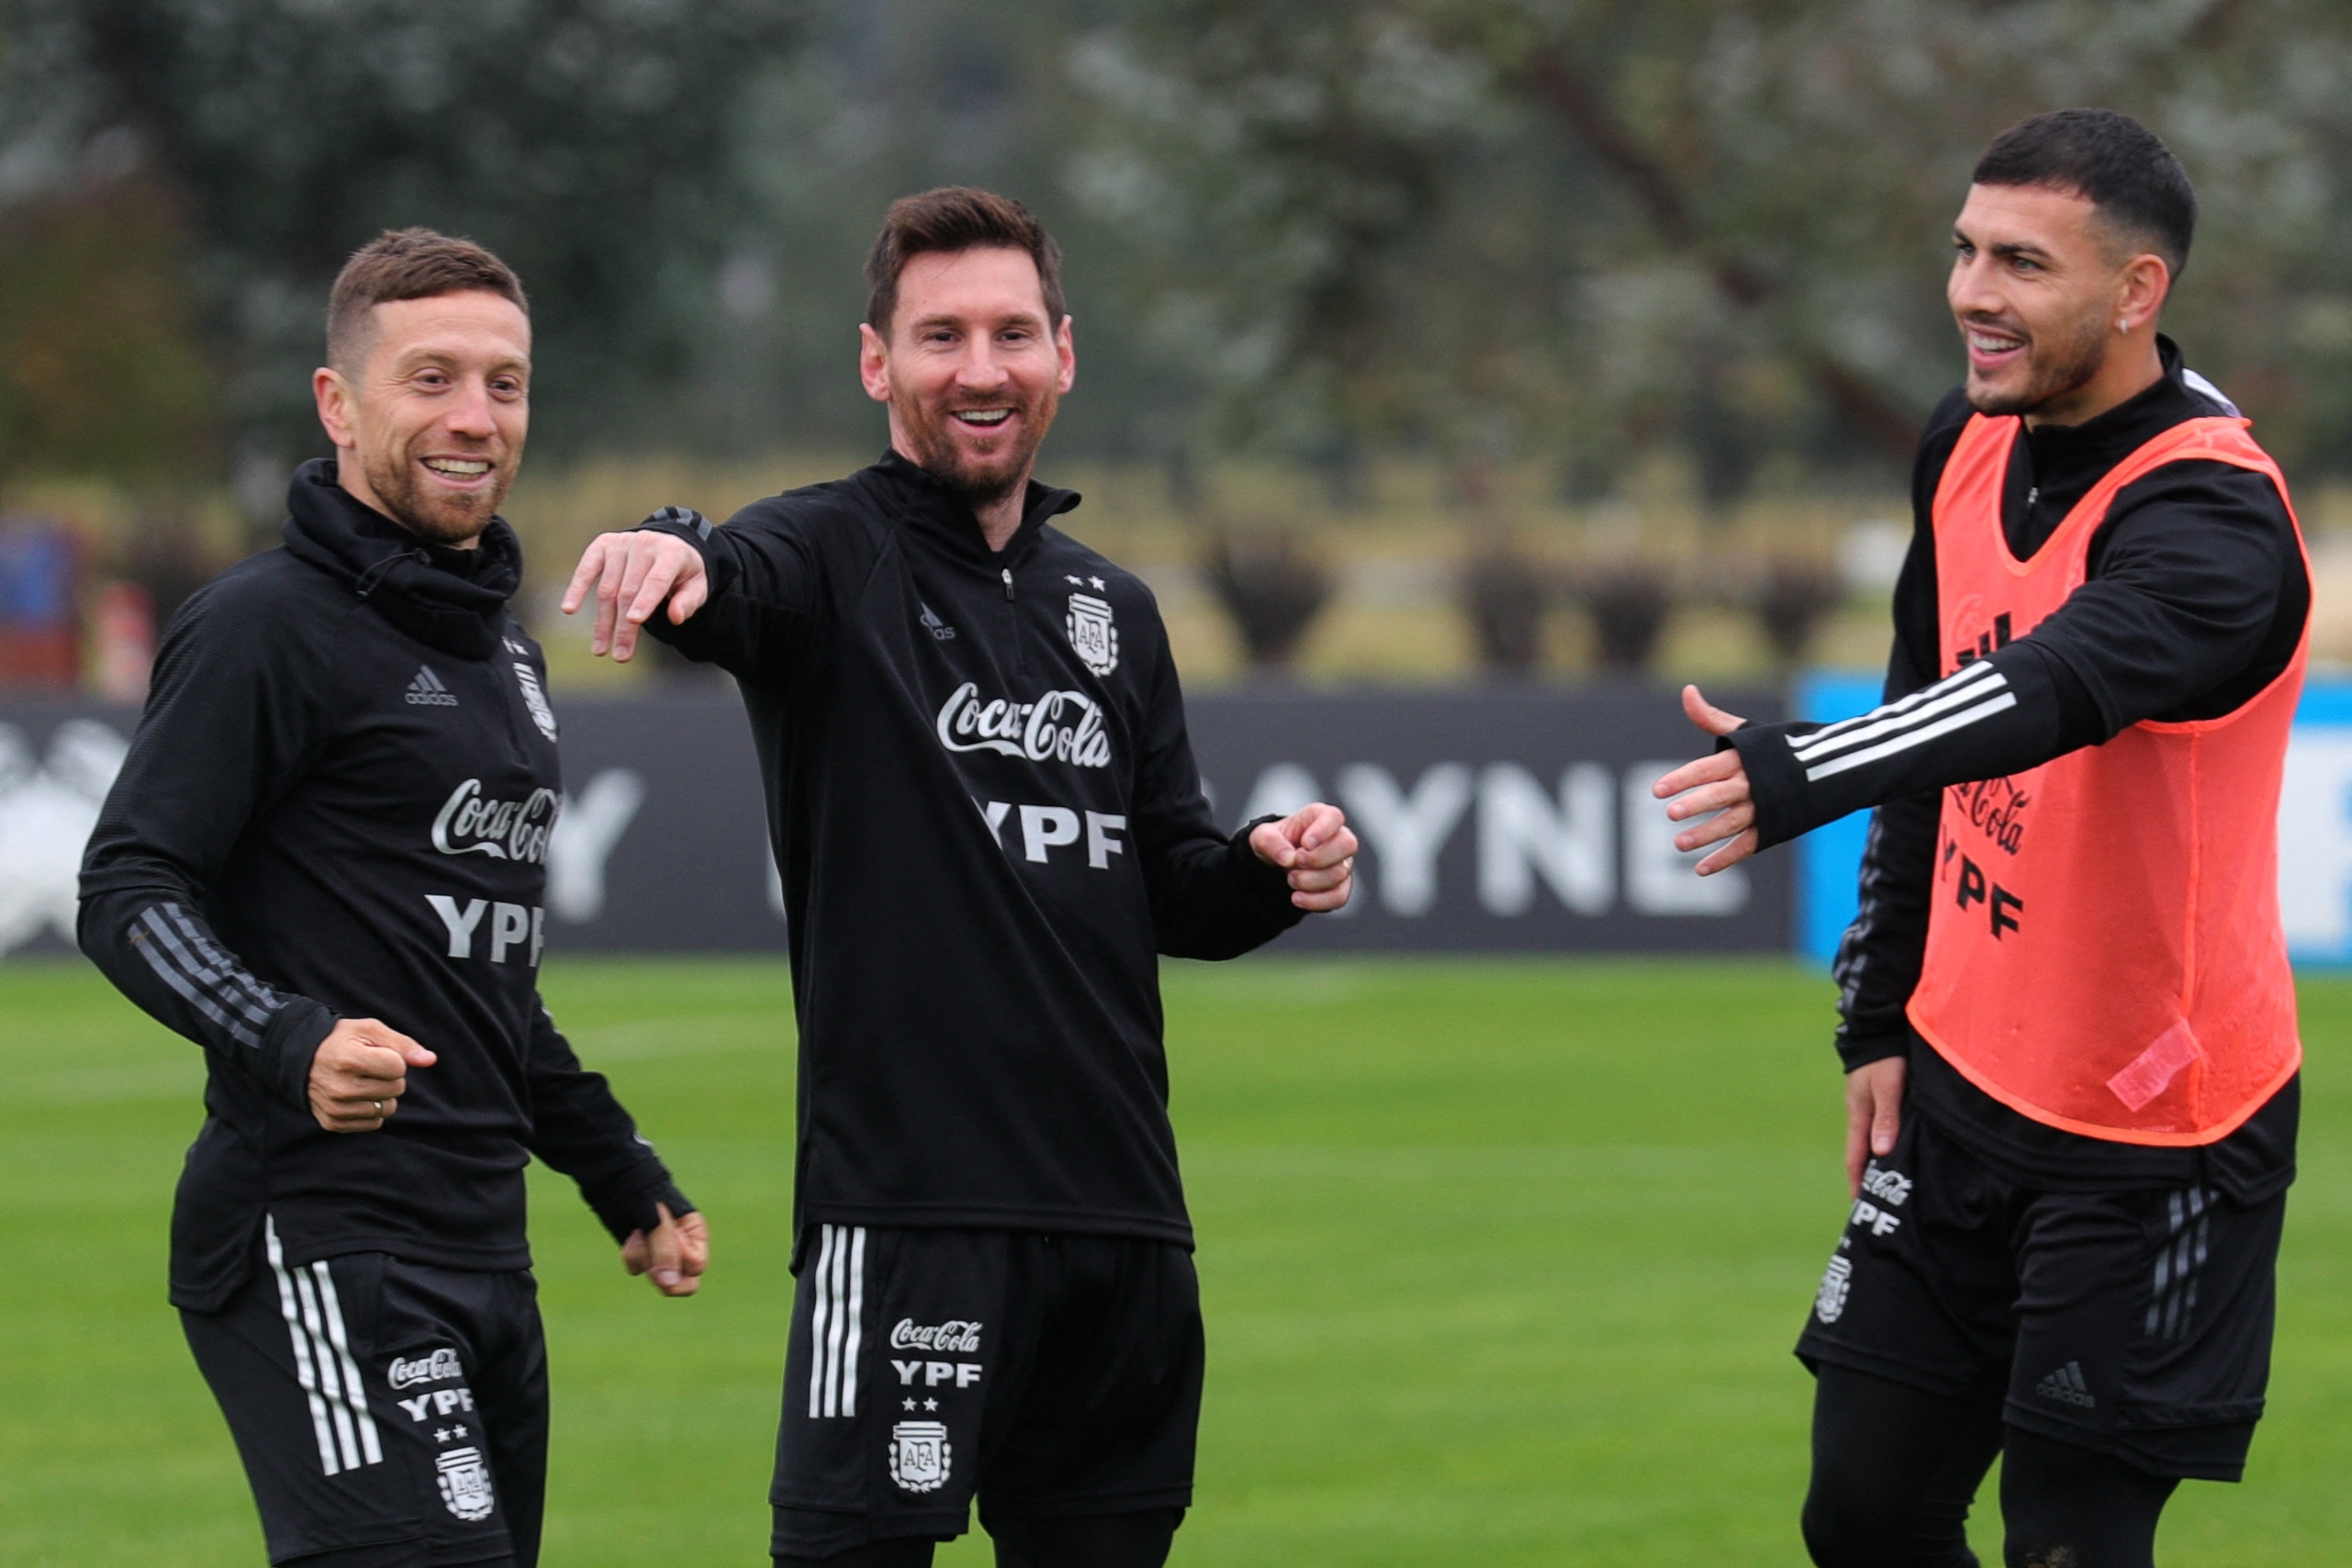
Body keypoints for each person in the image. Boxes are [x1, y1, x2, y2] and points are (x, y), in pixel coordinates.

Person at [563, 186, 1357, 1568]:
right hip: (909, 1219)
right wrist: (671, 539)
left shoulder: (1114, 610)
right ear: (877, 364)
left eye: (1009, 334)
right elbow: (727, 578)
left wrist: (1264, 872)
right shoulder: (826, 553)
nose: (978, 371)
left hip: (1122, 1226)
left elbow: (1168, 880)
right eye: (939, 338)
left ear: (1063, 351)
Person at [1654, 109, 2306, 1568]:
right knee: (1865, 1515)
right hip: (1957, 1083)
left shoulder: (2213, 518)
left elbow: (2040, 692)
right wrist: (1876, 1015)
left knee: (2065, 1542)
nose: (1969, 292)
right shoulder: (1963, 440)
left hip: (2155, 1128)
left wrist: (1799, 771)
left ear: (2136, 293)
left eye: (2020, 262)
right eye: (1963, 251)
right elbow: (1923, 720)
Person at [80, 229, 708, 1568]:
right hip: (312, 1233)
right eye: (429, 379)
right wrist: (287, 1036)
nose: (473, 418)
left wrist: (618, 1175)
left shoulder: (509, 659)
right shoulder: (264, 624)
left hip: (485, 1249)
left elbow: (482, 982)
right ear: (338, 402)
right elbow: (128, 884)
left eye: (504, 383)